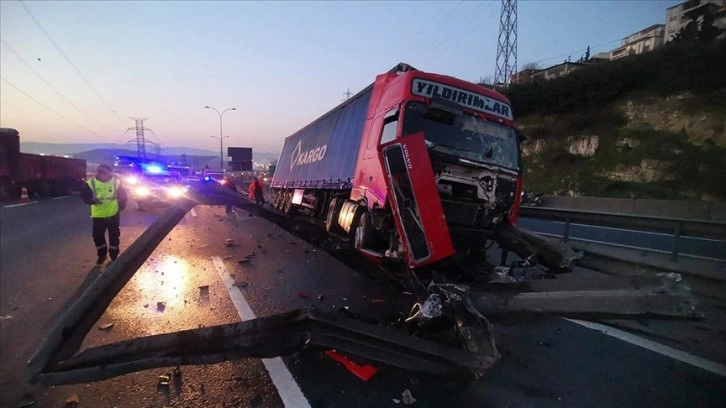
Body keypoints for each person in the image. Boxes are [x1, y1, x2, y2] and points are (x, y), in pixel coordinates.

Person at [81, 164, 128, 266]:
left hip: (113, 214)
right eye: (103, 174)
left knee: (114, 236)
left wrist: (120, 208)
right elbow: (85, 196)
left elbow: (123, 196)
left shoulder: (116, 183)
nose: (106, 176)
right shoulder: (91, 183)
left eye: (107, 173)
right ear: (99, 173)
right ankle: (102, 255)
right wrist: (91, 200)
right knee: (97, 236)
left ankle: (114, 256)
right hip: (98, 215)